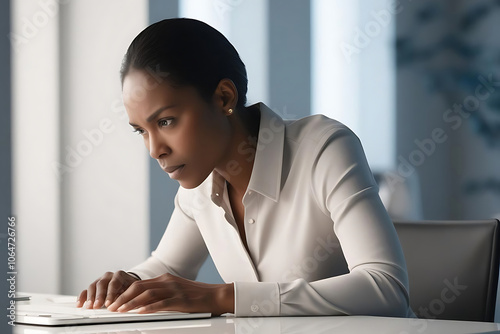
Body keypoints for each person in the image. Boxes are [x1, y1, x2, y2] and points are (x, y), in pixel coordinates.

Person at [77, 18, 415, 318]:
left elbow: (385, 289)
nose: (155, 150)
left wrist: (224, 296)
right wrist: (131, 281)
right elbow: (167, 266)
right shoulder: (200, 185)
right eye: (141, 130)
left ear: (224, 97)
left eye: (166, 121)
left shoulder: (323, 148)